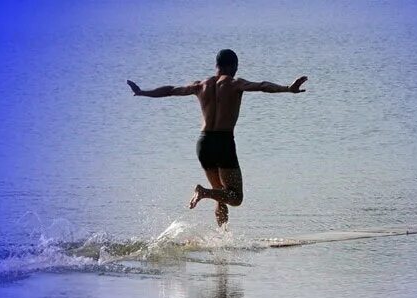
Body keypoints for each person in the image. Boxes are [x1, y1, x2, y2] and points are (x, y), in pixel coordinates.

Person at [127, 49, 308, 226]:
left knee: (220, 194)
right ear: (233, 66)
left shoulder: (200, 85)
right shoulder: (235, 83)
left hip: (203, 143)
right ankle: (203, 193)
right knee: (235, 197)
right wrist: (287, 88)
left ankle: (222, 239)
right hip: (223, 142)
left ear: (216, 65)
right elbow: (262, 86)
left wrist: (143, 92)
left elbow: (171, 90)